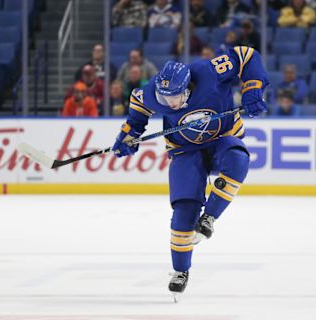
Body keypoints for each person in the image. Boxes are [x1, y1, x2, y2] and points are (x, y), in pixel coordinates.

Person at [111, 46, 268, 298]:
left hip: (222, 138)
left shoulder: (210, 71)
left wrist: (252, 89)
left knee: (237, 159)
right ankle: (180, 270)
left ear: (189, 87)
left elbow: (246, 55)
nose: (170, 103)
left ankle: (210, 218)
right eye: (165, 99)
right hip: (185, 151)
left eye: (175, 97)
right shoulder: (153, 92)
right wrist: (128, 136)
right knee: (184, 210)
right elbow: (138, 105)